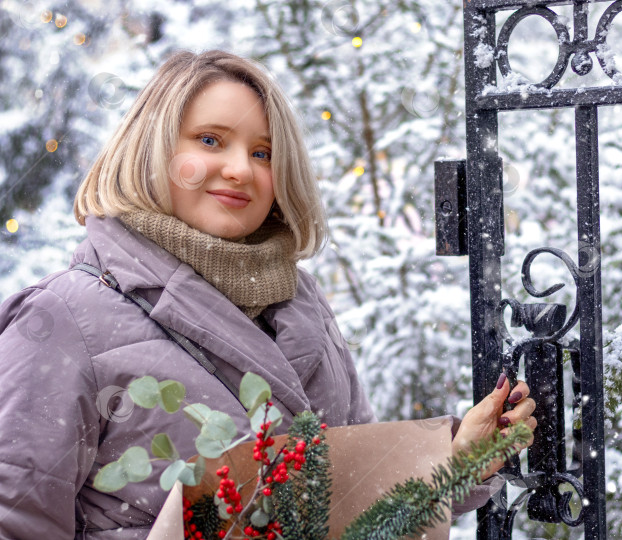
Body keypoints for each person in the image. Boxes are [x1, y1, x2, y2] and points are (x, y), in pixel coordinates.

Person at [0, 50, 536, 538]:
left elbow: (357, 486)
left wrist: (456, 456)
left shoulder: (302, 306)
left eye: (263, 153)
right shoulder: (61, 319)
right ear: (153, 149)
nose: (240, 169)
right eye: (209, 140)